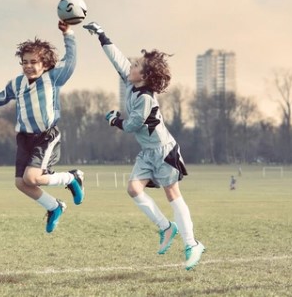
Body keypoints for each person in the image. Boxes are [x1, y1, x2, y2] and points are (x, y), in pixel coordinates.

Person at [83, 21, 204, 270]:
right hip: (148, 153)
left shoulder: (146, 98)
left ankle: (192, 244)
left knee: (173, 194)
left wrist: (114, 119)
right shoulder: (132, 83)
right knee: (133, 189)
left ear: (145, 75)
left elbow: (132, 126)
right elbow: (117, 59)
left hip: (164, 151)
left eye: (136, 65)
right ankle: (166, 228)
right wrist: (101, 35)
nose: (132, 65)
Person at [0, 21, 84, 233]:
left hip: (45, 136)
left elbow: (70, 62)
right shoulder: (17, 83)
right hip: (24, 138)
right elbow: (3, 96)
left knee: (31, 178)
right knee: (21, 183)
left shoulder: (53, 78)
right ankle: (54, 206)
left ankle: (72, 178)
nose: (28, 66)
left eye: (34, 62)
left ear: (45, 64)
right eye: (25, 62)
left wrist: (69, 33)